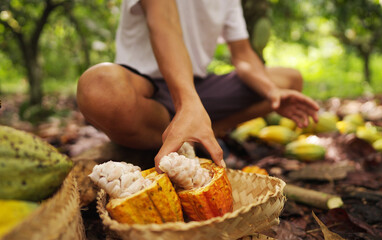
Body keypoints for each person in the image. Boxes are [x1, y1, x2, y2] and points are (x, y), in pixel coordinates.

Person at [76, 0, 319, 172]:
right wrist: (187, 103)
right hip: (143, 89)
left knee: (289, 80)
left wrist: (272, 91)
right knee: (98, 87)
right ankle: (184, 131)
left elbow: (243, 55)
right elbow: (164, 24)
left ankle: (194, 132)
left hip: (197, 87)